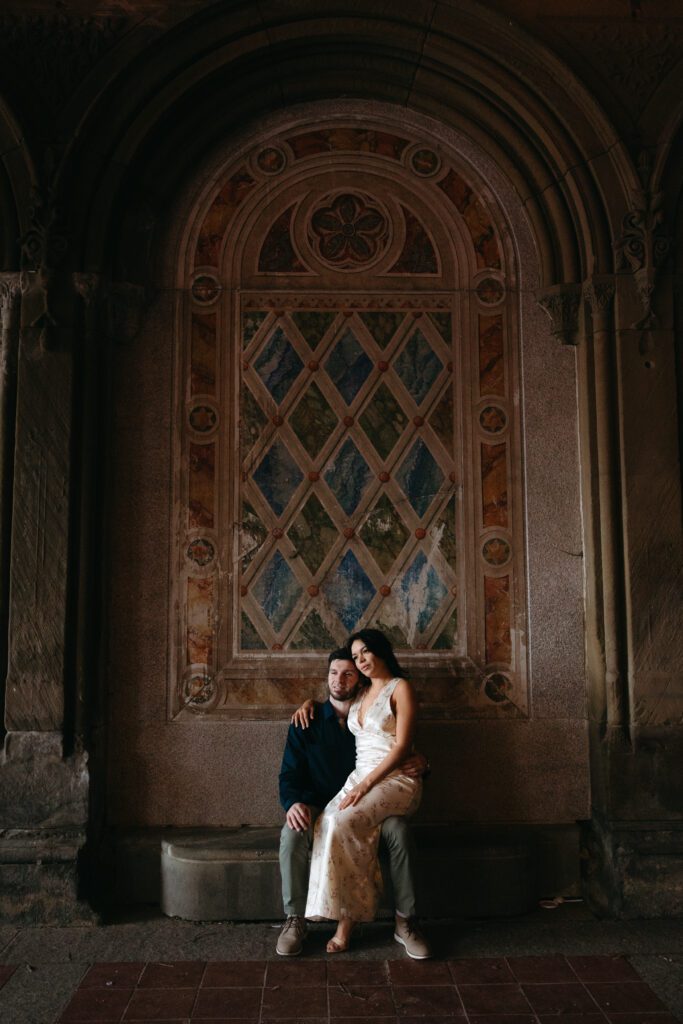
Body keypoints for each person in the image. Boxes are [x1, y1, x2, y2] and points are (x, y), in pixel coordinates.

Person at [277, 644, 431, 959]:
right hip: (321, 804)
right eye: (334, 673)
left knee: (399, 833)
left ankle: (406, 922)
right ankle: (295, 919)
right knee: (292, 834)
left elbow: (401, 747)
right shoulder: (307, 719)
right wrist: (293, 802)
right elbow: (289, 774)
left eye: (348, 674)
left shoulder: (370, 715)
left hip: (379, 800)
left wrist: (424, 764)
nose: (339, 680)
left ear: (361, 679)